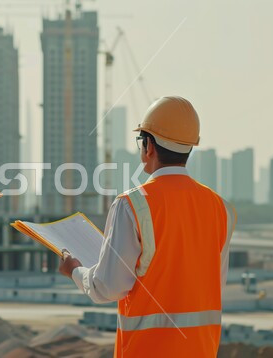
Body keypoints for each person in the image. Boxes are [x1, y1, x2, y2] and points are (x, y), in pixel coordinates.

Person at [59, 96, 236, 357]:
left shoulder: (132, 204)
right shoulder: (221, 208)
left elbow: (107, 288)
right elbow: (212, 284)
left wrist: (75, 270)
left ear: (149, 145)